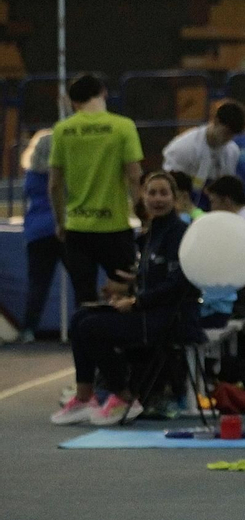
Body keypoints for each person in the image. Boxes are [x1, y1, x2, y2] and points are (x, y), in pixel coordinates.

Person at [51, 172, 199, 427]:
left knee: (91, 328)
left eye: (164, 193)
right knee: (80, 317)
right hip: (146, 309)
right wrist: (128, 286)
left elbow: (178, 284)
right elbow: (153, 276)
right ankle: (85, 398)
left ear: (175, 199)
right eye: (152, 193)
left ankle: (124, 397)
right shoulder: (149, 234)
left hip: (168, 318)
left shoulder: (179, 233)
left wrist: (135, 303)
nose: (157, 199)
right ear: (143, 197)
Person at [48, 73, 144, 308]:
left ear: (73, 102)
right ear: (104, 93)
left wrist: (60, 222)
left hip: (78, 229)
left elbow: (54, 185)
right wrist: (144, 217)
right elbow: (134, 176)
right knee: (126, 293)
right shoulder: (123, 127)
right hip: (115, 227)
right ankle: (126, 343)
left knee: (84, 297)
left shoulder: (62, 130)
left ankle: (86, 342)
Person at [19, 130, 59, 341]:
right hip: (62, 226)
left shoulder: (31, 175)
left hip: (37, 231)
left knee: (38, 283)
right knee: (80, 279)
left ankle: (29, 328)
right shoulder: (62, 173)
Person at [161, 100, 245, 198]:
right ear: (216, 121)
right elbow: (169, 186)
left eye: (233, 135)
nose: (228, 139)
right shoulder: (183, 148)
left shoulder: (232, 151)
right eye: (226, 133)